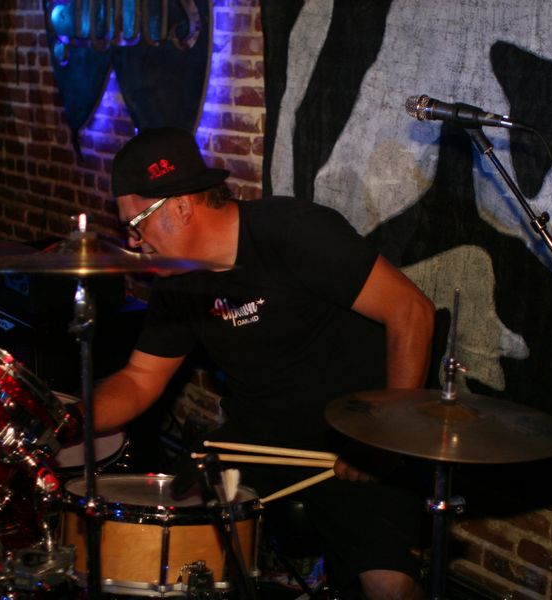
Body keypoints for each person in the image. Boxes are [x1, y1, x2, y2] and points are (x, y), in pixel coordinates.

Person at [94, 127, 436, 600]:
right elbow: (138, 379)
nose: (134, 242)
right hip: (258, 442)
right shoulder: (178, 283)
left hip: (357, 440)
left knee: (389, 588)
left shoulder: (293, 232)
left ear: (180, 207)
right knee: (161, 543)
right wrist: (71, 419)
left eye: (136, 225)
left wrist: (384, 439)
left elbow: (411, 311)